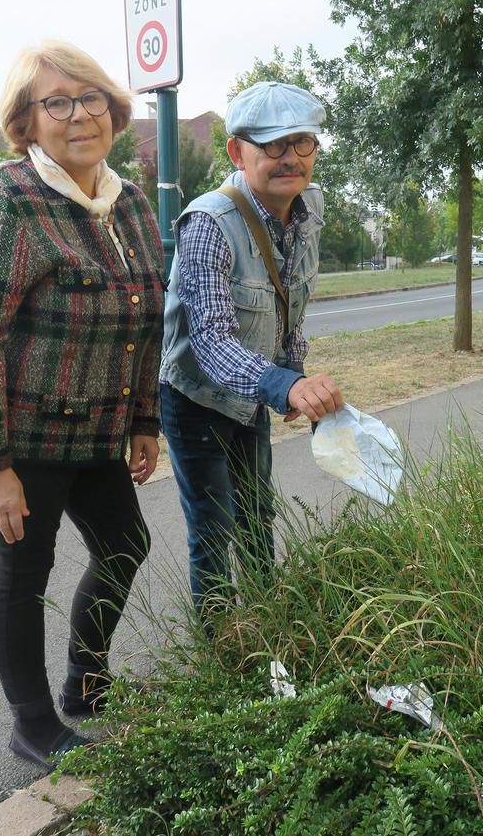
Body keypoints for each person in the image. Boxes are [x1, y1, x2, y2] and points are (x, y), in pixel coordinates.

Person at [0, 41, 164, 769]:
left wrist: (144, 417)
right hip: (23, 436)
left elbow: (146, 317)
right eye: (55, 102)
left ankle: (86, 679)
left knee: (126, 546)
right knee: (22, 575)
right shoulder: (8, 202)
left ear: (113, 109)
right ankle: (32, 723)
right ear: (26, 122)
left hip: (98, 428)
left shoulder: (126, 203)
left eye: (90, 97)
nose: (78, 115)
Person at [160, 81, 345, 617]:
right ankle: (222, 655)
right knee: (214, 530)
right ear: (237, 151)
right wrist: (285, 386)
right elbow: (213, 345)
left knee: (258, 514)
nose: (290, 157)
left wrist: (295, 380)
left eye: (301, 142)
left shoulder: (308, 208)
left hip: (254, 391)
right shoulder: (207, 224)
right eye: (271, 145)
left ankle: (268, 626)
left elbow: (291, 308)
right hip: (196, 398)